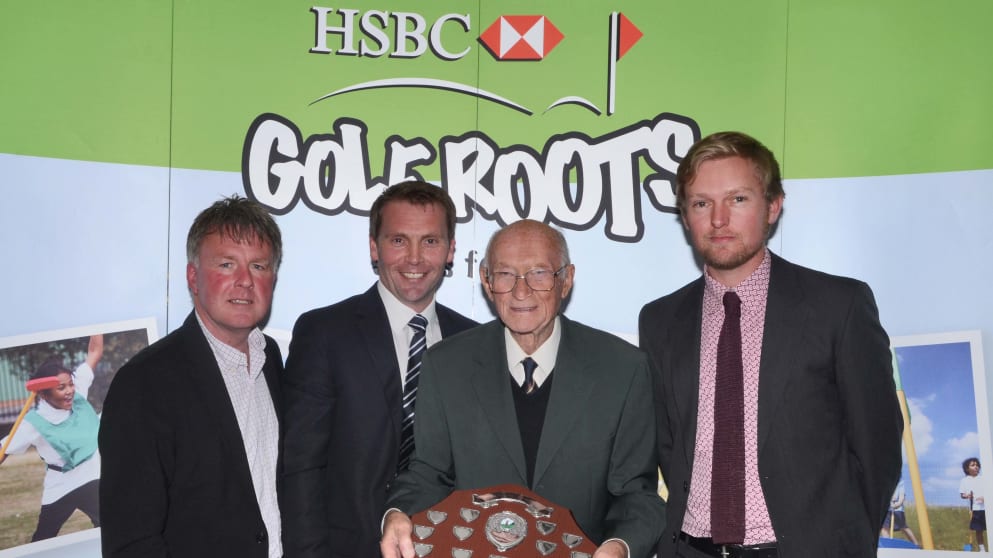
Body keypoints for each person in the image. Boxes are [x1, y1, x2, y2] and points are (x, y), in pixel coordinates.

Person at [639, 131, 903, 558]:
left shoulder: (839, 305)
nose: (719, 219)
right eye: (702, 203)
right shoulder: (659, 319)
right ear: (685, 216)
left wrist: (846, 543)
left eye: (738, 199)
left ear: (773, 206)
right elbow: (668, 446)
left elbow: (878, 445)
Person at [380, 220, 665, 558]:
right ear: (486, 281)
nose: (521, 291)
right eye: (505, 275)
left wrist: (619, 548)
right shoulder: (445, 365)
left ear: (566, 279)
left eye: (539, 274)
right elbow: (427, 472)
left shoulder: (622, 368)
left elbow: (636, 494)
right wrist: (396, 513)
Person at [280, 180, 476, 558]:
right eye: (399, 240)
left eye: (431, 241)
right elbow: (301, 467)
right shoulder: (325, 332)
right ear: (374, 247)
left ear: (451, 250)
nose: (415, 258)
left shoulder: (475, 343)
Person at [99, 196, 284, 558]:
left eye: (259, 266)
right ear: (192, 276)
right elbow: (132, 542)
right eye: (227, 264)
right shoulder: (143, 384)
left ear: (272, 279)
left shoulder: (272, 358)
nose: (245, 281)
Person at [0, 334, 103, 541]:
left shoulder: (78, 392)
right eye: (61, 388)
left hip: (93, 477)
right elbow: (3, 450)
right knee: (43, 539)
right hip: (61, 485)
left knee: (110, 526)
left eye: (70, 384)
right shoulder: (33, 422)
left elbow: (94, 352)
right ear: (44, 395)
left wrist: (98, 326)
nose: (69, 392)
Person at [880, 478, 919, 546]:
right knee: (884, 527)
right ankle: (887, 544)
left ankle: (916, 544)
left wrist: (898, 504)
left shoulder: (900, 482)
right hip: (886, 509)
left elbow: (902, 496)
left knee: (903, 527)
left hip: (897, 510)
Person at [960, 457, 986, 552]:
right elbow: (962, 494)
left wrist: (985, 498)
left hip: (987, 508)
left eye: (977, 465)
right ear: (967, 469)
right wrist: (967, 495)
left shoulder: (983, 478)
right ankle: (982, 549)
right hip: (975, 509)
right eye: (973, 465)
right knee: (979, 530)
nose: (976, 467)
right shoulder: (964, 480)